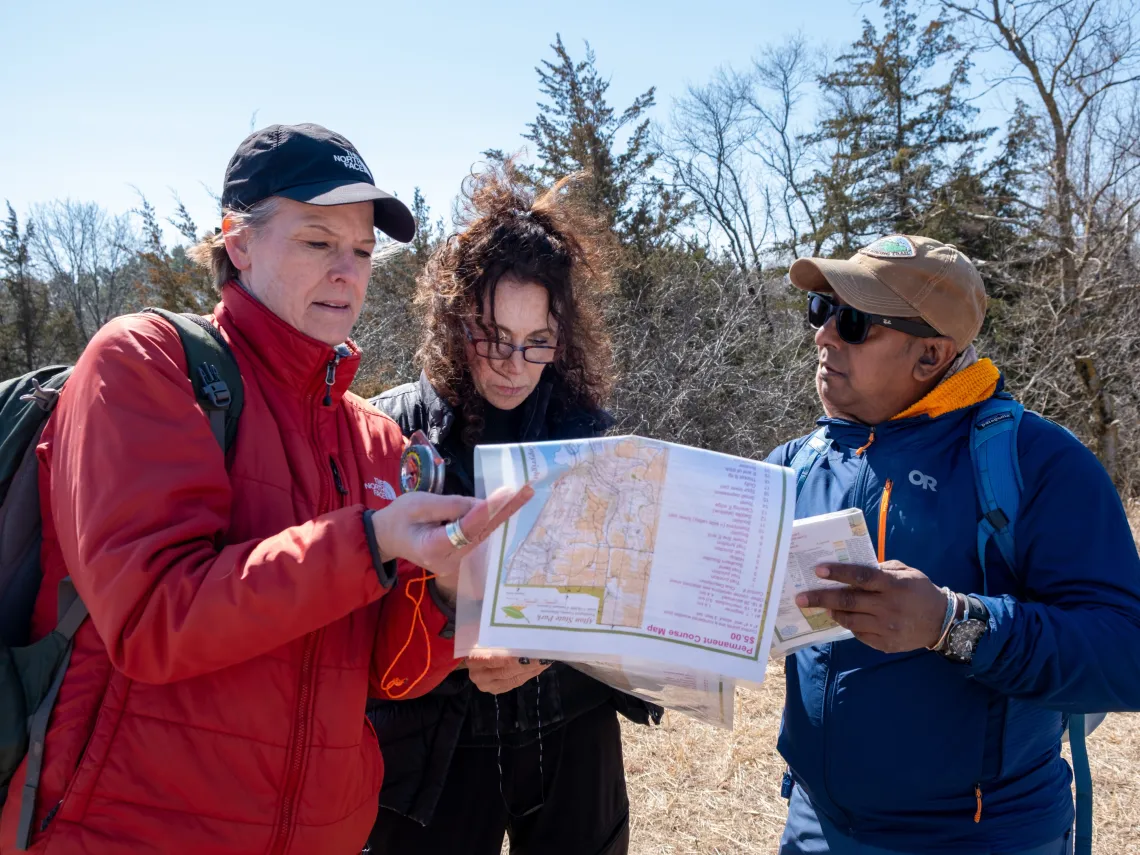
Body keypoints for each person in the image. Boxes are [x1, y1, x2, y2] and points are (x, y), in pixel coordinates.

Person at [0, 123, 528, 855]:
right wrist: (370, 542)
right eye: (318, 241)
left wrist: (443, 600)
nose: (349, 271)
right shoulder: (146, 364)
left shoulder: (373, 438)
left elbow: (382, 674)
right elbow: (153, 618)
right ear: (238, 242)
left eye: (365, 251)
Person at [768, 234, 1140, 855]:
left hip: (982, 837)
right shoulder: (797, 464)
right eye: (822, 311)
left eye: (854, 321)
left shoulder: (1035, 462)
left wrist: (952, 622)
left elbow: (1126, 656)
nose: (824, 336)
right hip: (816, 829)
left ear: (931, 354)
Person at [364, 166, 660, 855]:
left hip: (571, 730)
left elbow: (621, 600)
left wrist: (554, 650)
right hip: (435, 743)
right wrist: (460, 649)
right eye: (492, 335)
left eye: (537, 341)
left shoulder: (590, 436)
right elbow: (357, 610)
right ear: (452, 316)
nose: (513, 364)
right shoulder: (390, 429)